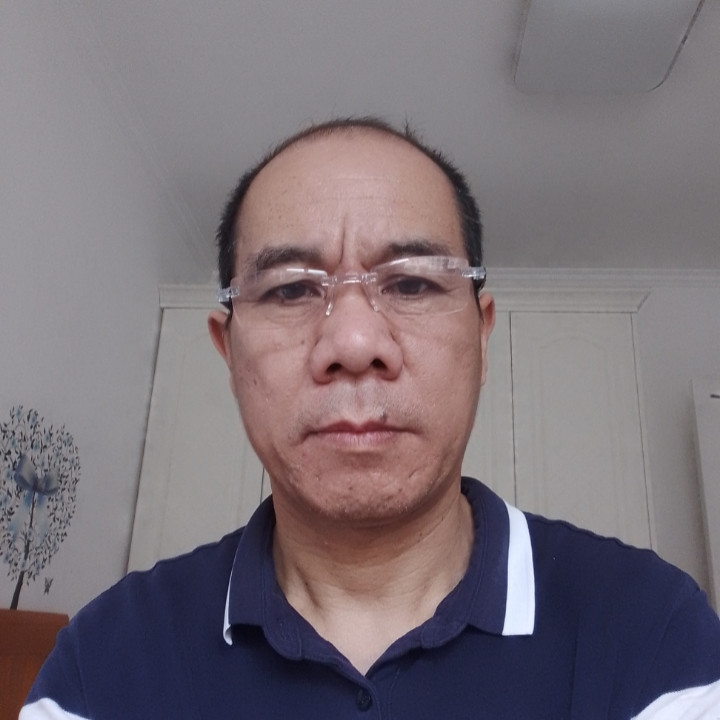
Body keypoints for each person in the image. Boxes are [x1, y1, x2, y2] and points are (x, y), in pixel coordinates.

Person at [22, 118, 720, 719]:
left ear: (481, 338)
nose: (354, 344)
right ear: (228, 353)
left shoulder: (649, 632)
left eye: (411, 282)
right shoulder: (104, 662)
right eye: (291, 290)